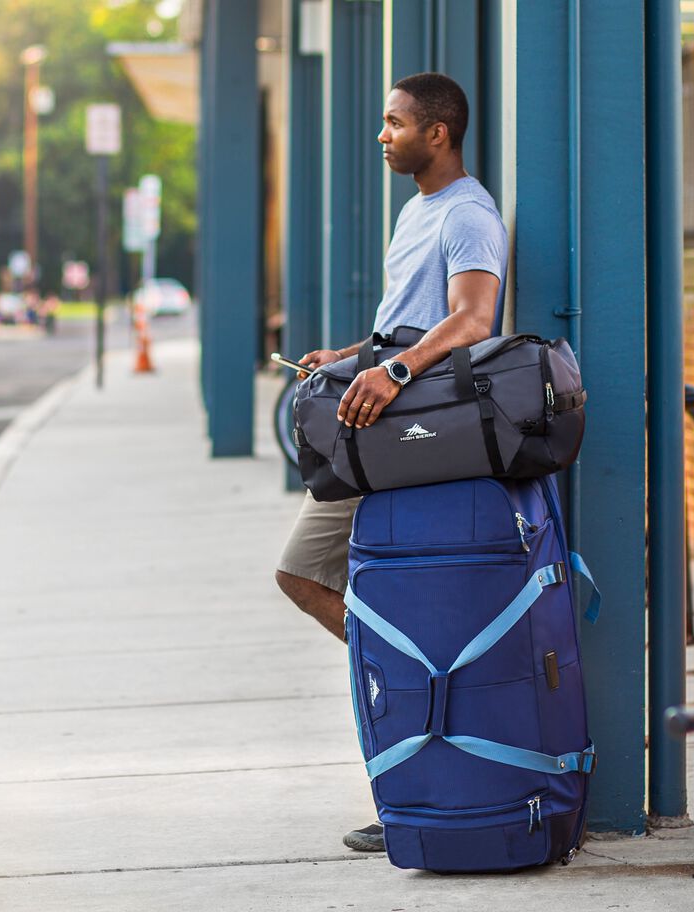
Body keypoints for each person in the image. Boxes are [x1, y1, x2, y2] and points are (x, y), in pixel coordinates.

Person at [274, 72, 508, 852]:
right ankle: (419, 691)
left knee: (307, 569)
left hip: (413, 429)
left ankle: (426, 734)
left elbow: (472, 318)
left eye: (395, 123)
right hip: (378, 407)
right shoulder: (417, 210)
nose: (384, 135)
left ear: (437, 133)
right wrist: (347, 356)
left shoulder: (469, 214)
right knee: (311, 577)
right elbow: (407, 322)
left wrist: (396, 373)